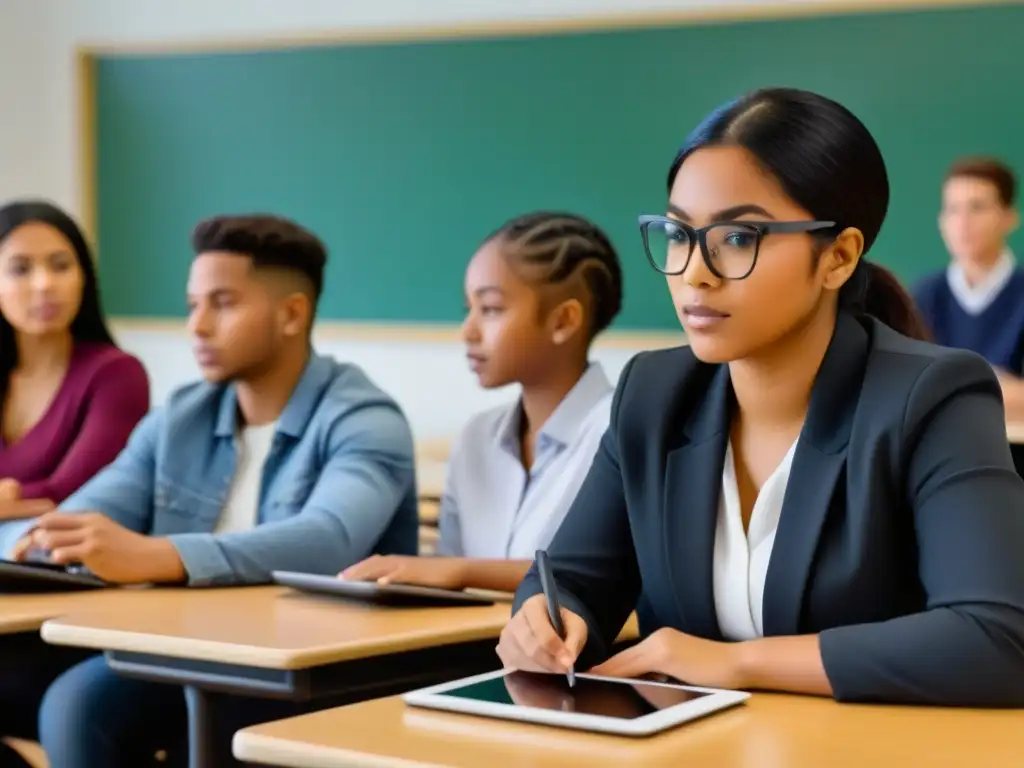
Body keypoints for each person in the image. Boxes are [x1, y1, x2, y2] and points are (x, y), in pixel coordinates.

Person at [497, 88, 1024, 708]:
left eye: (738, 238)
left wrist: (736, 663)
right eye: (677, 233)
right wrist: (543, 619)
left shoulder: (933, 397)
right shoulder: (653, 394)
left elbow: (996, 641)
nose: (694, 271)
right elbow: (572, 581)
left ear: (838, 256)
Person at [0, 214, 419, 767]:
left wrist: (158, 555)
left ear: (292, 313)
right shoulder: (181, 416)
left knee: (78, 707)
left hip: (309, 665)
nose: (196, 326)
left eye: (222, 304)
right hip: (184, 651)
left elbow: (329, 539)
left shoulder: (364, 418)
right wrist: (31, 543)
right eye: (193, 304)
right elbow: (72, 523)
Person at [340, 212, 623, 594]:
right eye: (467, 309)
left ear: (564, 321)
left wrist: (461, 571)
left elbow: (611, 577)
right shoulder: (476, 437)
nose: (467, 330)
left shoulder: (620, 430)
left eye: (490, 309)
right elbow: (445, 578)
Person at [0, 200, 149, 520]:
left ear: (84, 277)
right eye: (20, 269)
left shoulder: (118, 374)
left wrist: (17, 497)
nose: (44, 284)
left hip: (54, 564)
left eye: (60, 265)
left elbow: (74, 492)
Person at [912, 158, 1024, 418]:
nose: (962, 222)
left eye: (977, 208)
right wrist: (996, 383)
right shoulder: (924, 295)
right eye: (953, 209)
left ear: (1008, 218)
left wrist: (948, 383)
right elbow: (903, 388)